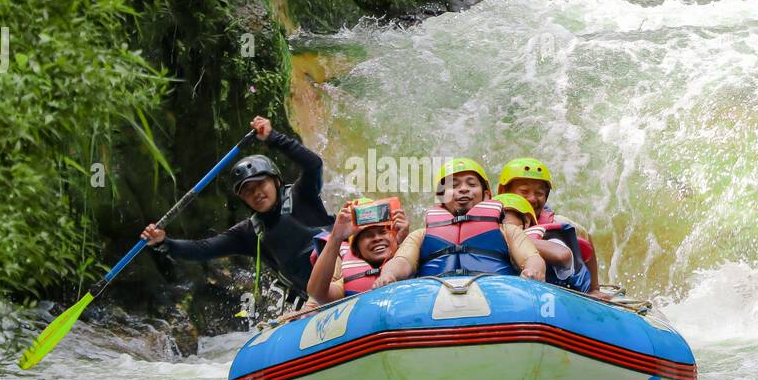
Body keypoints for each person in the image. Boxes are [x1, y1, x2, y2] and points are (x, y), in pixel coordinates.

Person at [140, 116, 332, 298]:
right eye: (247, 190)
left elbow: (313, 164)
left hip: (344, 270)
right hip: (315, 296)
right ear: (242, 198)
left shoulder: (302, 194)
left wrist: (273, 137)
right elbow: (202, 249)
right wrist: (163, 243)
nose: (256, 192)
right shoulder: (248, 233)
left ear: (276, 182)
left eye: (261, 184)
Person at [374, 158, 543, 286]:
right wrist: (389, 275)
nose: (463, 189)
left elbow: (531, 257)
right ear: (441, 197)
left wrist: (533, 270)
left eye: (471, 184)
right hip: (433, 296)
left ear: (486, 194)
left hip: (495, 293)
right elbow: (403, 261)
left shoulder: (508, 231)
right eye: (453, 185)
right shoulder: (420, 235)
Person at [496, 157, 599, 291]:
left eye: (539, 193)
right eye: (524, 191)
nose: (532, 199)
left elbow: (587, 241)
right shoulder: (488, 220)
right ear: (504, 191)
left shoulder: (559, 223)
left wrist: (594, 289)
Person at [306, 199, 408, 303]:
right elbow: (317, 294)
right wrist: (336, 237)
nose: (377, 238)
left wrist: (404, 241)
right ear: (357, 250)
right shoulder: (347, 280)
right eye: (368, 235)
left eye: (383, 232)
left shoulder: (411, 253)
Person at [496, 192, 588, 291]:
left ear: (526, 222)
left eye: (504, 223)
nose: (499, 228)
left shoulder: (544, 237)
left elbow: (563, 255)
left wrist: (516, 238)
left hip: (557, 294)